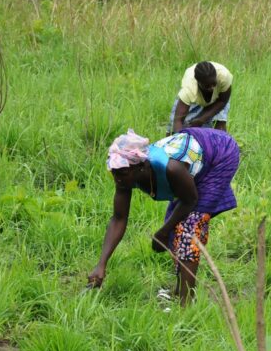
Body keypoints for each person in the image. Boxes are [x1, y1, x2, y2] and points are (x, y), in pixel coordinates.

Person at [87, 127, 240, 306]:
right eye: (114, 171)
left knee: (189, 227)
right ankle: (179, 291)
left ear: (141, 167)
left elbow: (190, 200)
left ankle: (186, 305)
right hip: (193, 158)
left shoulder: (170, 168)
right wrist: (101, 264)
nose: (117, 178)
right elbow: (119, 219)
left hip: (220, 153)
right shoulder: (125, 175)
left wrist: (163, 232)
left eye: (122, 172)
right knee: (175, 221)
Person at [169, 61, 233, 135]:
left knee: (220, 121)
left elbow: (222, 101)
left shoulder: (224, 77)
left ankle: (221, 144)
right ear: (198, 82)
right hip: (195, 94)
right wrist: (179, 138)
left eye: (214, 84)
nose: (211, 88)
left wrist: (202, 119)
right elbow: (178, 120)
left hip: (220, 97)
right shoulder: (189, 89)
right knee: (176, 128)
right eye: (207, 86)